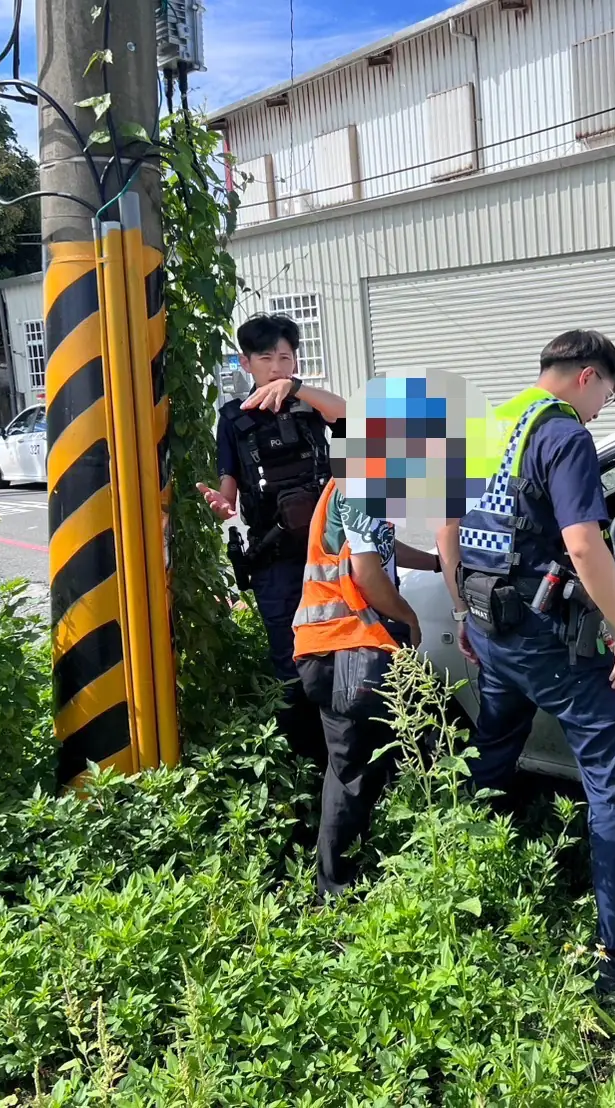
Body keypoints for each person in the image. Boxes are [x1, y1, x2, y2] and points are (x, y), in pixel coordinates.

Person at [434, 330, 615, 997]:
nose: (599, 415)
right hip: (542, 633)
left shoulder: (490, 424)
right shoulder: (562, 435)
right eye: (605, 400)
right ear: (587, 376)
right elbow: (584, 545)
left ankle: (466, 873)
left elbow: (448, 529)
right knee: (611, 779)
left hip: (489, 620)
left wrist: (461, 613)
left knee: (496, 742)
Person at [198, 314, 346, 759]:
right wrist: (222, 504)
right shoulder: (232, 418)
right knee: (290, 659)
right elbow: (229, 482)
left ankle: (347, 748)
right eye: (266, 357)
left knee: (341, 646)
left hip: (328, 554)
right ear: (247, 363)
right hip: (273, 556)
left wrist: (298, 390)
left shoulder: (312, 406)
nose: (278, 366)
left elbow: (348, 414)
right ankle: (306, 759)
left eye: (286, 356)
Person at [293, 476, 441, 900]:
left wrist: (435, 563)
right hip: (341, 648)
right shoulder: (361, 482)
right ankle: (333, 892)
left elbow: (381, 549)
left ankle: (371, 864)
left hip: (343, 648)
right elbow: (368, 575)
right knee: (352, 771)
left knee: (379, 757)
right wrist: (410, 618)